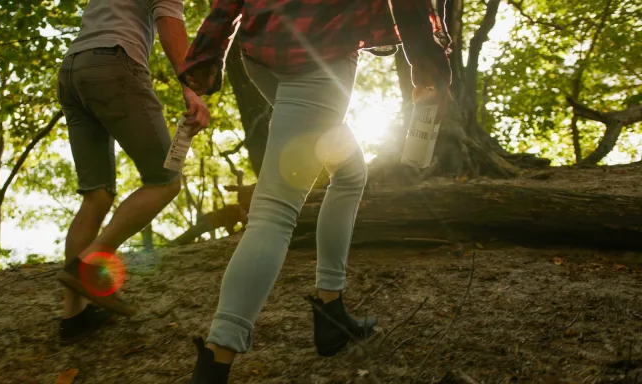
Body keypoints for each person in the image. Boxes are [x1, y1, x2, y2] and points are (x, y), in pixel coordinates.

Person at [178, 0, 452, 382]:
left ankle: (331, 314)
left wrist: (206, 53)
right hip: (321, 52)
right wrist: (426, 57)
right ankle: (215, 361)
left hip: (261, 50)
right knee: (274, 212)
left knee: (350, 173)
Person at [54, 0, 210, 345]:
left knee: (97, 194)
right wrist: (191, 87)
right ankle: (88, 265)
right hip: (115, 65)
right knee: (166, 180)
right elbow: (169, 22)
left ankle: (73, 317)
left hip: (72, 70)